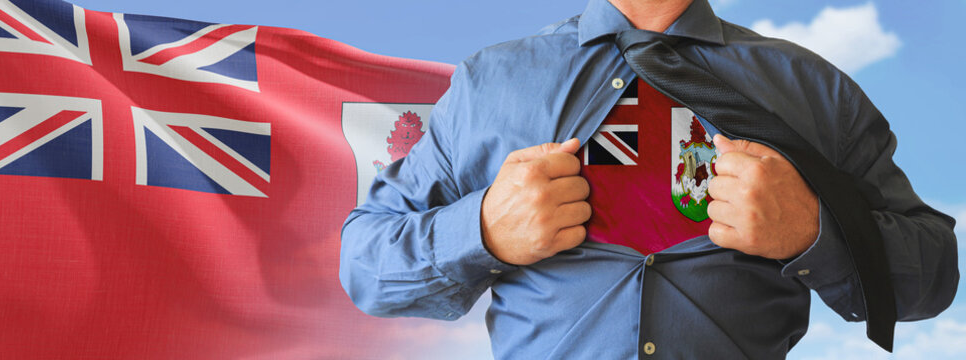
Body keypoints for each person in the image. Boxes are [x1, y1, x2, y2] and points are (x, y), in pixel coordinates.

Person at [339, 0, 959, 358]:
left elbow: (933, 276)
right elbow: (364, 265)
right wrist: (481, 232)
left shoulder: (813, 90)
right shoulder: (488, 84)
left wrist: (815, 231)